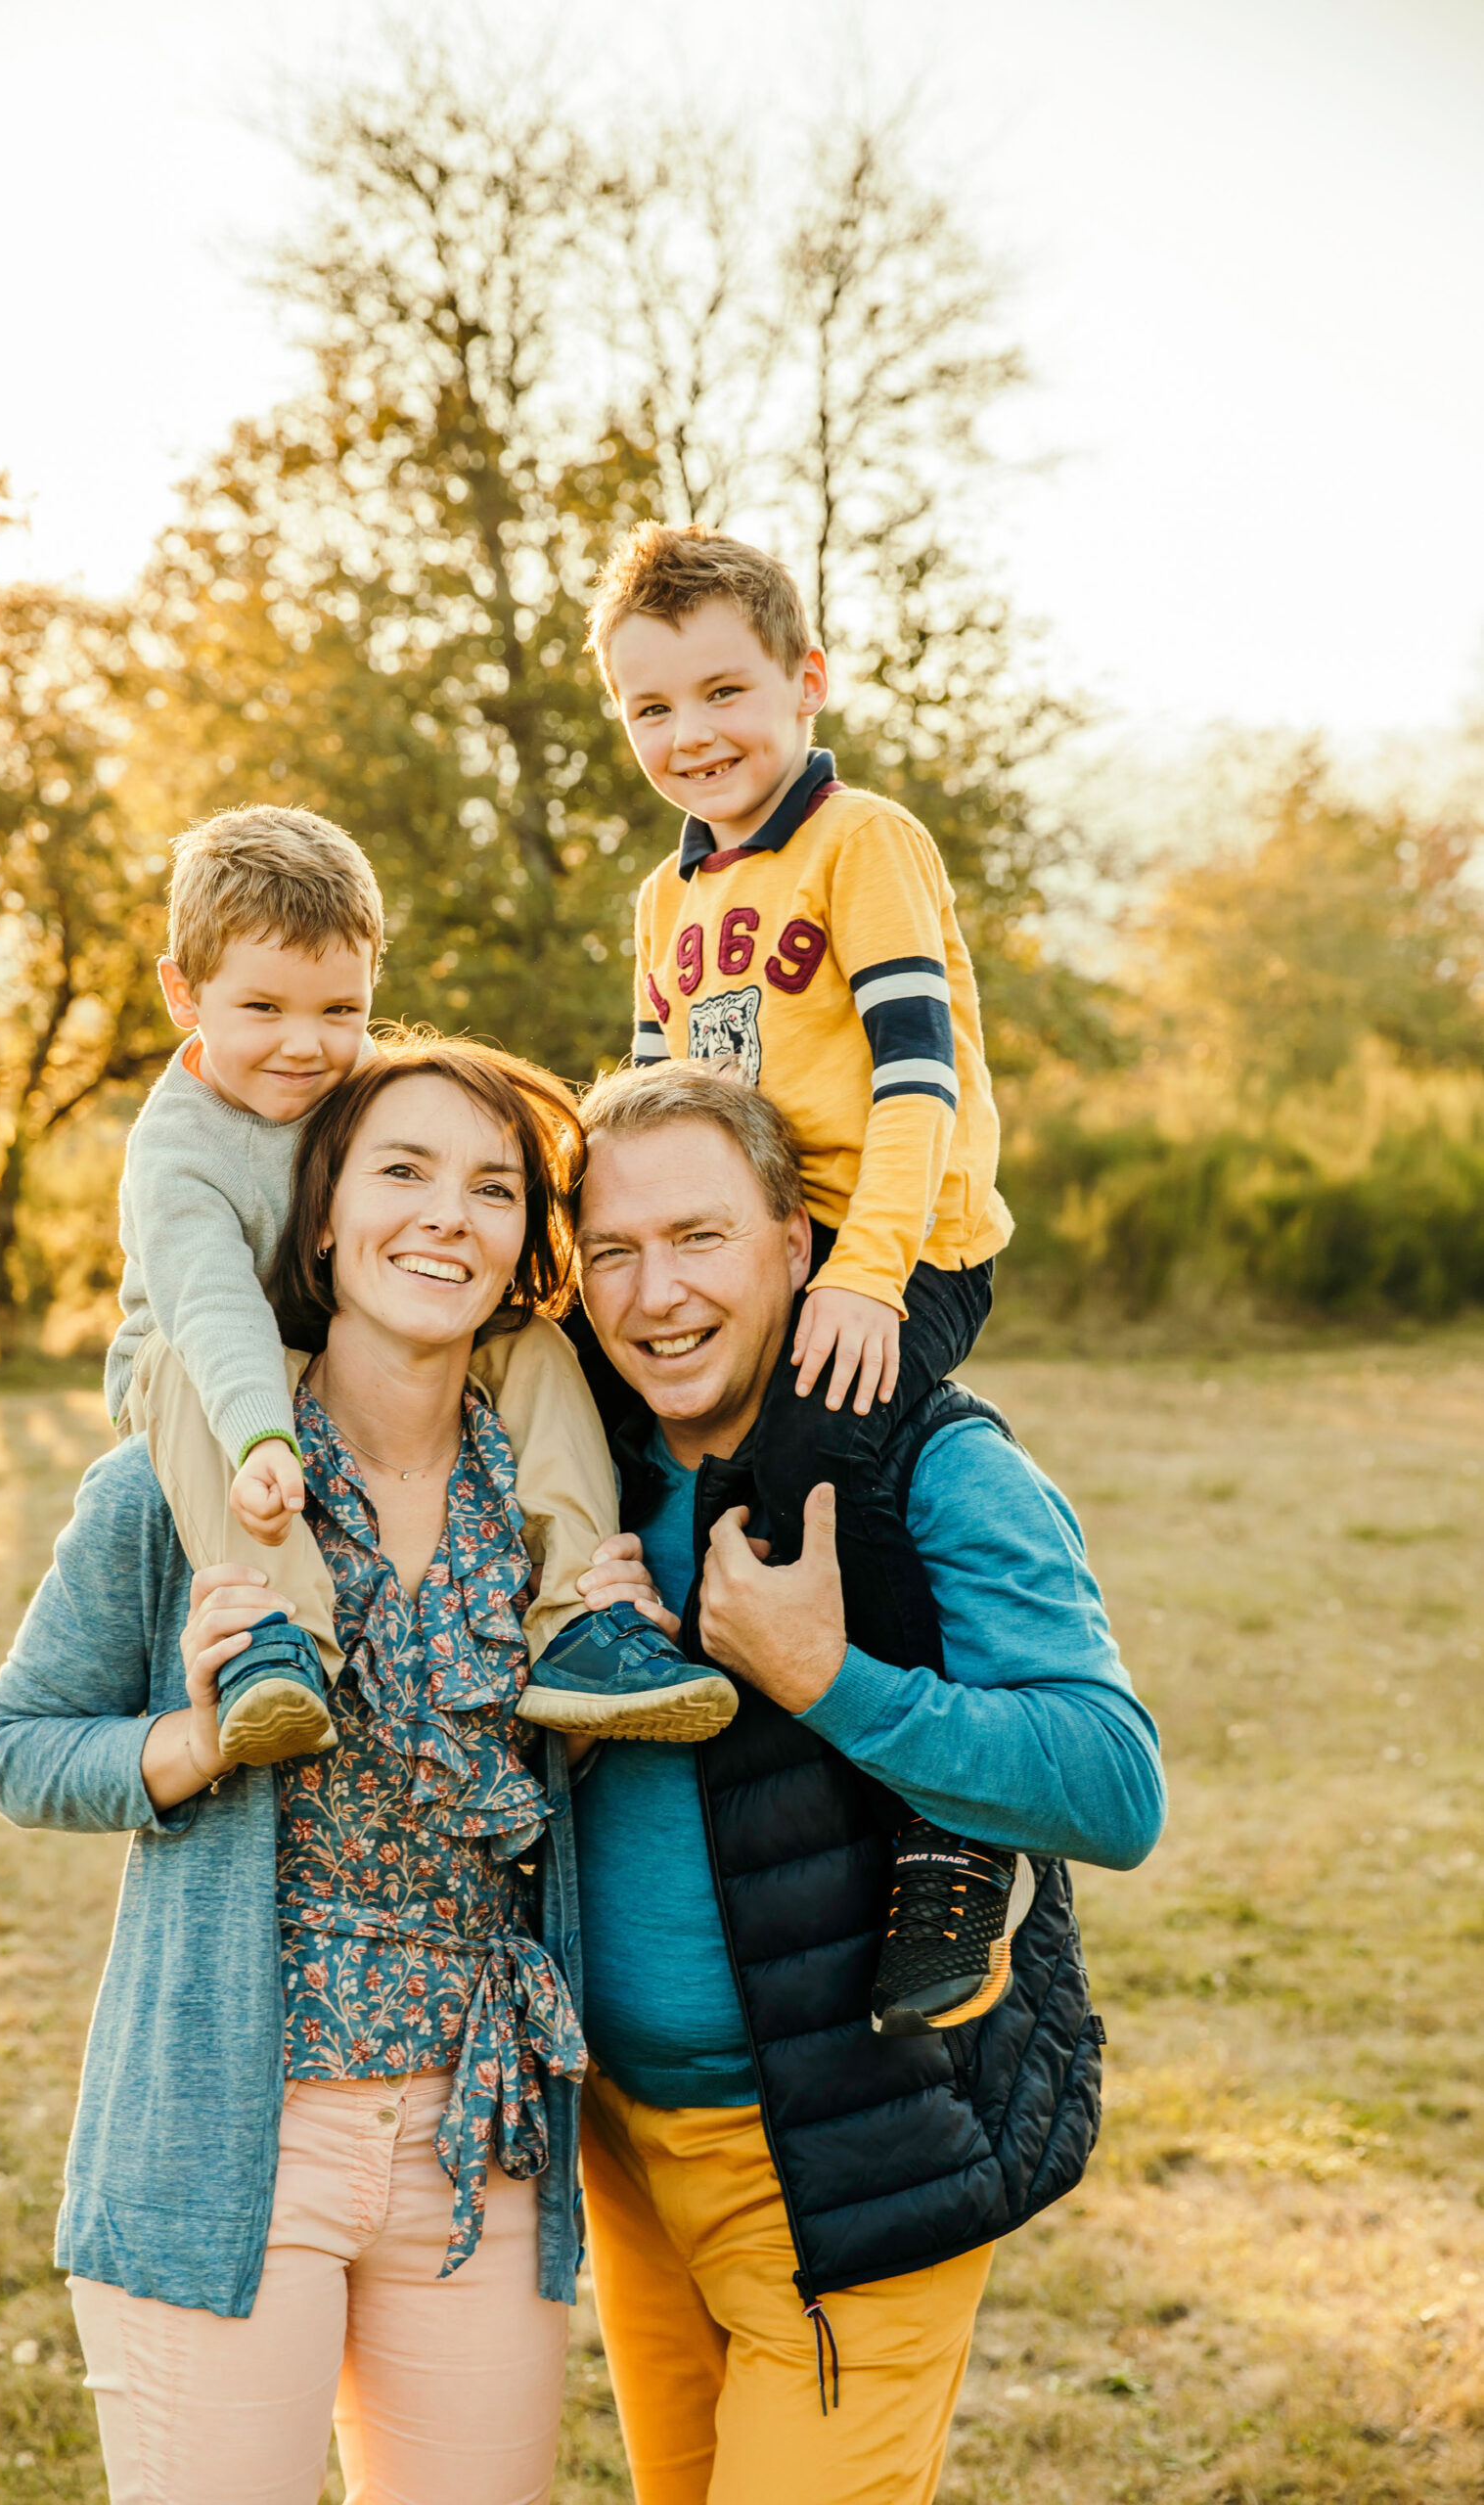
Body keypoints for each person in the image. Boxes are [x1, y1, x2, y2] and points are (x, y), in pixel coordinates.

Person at [0, 1037, 599, 2505]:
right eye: (402, 1172)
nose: (446, 1213)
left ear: (519, 1243)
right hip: (232, 2136)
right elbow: (15, 1745)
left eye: (491, 1187)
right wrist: (190, 1741)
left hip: (482, 2137)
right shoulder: (179, 1475)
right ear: (320, 1216)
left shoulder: (560, 1498)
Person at [562, 1061, 1166, 2505]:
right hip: (623, 2161)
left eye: (698, 1237)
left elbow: (1109, 1784)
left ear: (796, 1244)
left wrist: (823, 1678)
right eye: (611, 1253)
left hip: (843, 2169)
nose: (654, 1295)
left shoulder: (930, 1466)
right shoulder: (570, 1461)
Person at [532, 523, 1012, 2025]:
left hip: (900, 1238)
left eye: (723, 694)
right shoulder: (664, 898)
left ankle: (953, 1839)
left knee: (816, 1456)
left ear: (807, 682)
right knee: (600, 1428)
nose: (689, 736)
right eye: (649, 710)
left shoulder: (859, 841)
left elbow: (916, 1082)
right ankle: (601, 1654)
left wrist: (864, 1280)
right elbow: (643, 1106)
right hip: (755, 1252)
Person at [106, 802, 737, 1761]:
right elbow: (215, 1308)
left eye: (340, 1010)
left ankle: (578, 1621)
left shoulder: (353, 1082)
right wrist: (263, 1437)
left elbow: (452, 1142)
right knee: (180, 1363)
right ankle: (280, 1642)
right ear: (183, 995)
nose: (305, 1045)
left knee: (527, 1345)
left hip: (334, 1338)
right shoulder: (178, 1154)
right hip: (204, 1371)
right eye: (263, 1009)